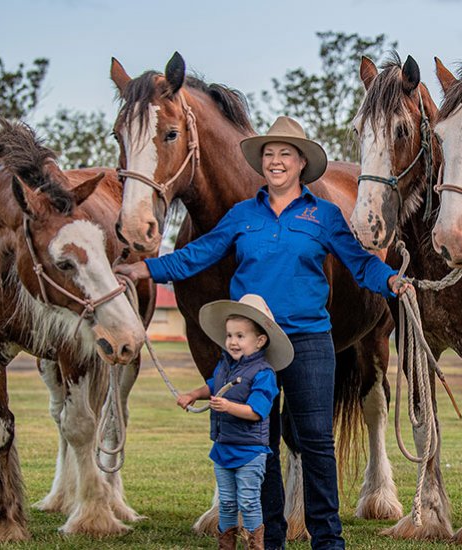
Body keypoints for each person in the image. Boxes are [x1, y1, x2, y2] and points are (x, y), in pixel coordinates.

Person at [116, 116, 412, 550]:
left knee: (315, 443)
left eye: (285, 155)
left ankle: (327, 540)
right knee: (262, 445)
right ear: (262, 163)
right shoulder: (243, 215)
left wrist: (389, 281)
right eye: (269, 155)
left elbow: (359, 262)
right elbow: (196, 254)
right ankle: (271, 538)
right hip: (257, 347)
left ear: (301, 163)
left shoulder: (324, 214)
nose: (276, 162)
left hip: (310, 341)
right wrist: (145, 268)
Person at [178, 295, 292, 550]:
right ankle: (226, 544)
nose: (232, 341)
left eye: (241, 336)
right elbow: (213, 385)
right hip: (223, 448)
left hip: (250, 451)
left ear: (260, 341)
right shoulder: (225, 366)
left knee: (250, 501)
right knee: (227, 502)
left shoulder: (264, 374)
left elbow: (257, 411)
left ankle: (255, 545)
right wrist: (193, 395)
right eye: (230, 335)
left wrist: (228, 406)